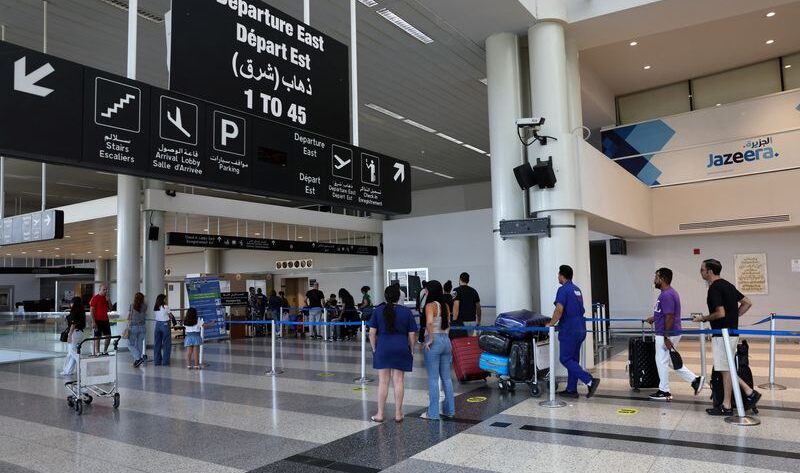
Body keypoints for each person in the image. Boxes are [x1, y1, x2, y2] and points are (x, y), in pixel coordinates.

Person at [693, 258, 761, 415]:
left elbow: (720, 313)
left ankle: (748, 394)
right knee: (726, 368)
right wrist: (734, 317)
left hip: (722, 334)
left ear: (710, 271)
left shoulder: (714, 288)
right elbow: (747, 303)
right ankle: (728, 404)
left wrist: (703, 318)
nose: (701, 272)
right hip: (732, 332)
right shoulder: (728, 285)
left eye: (702, 269)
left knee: (725, 368)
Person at [646, 268, 703, 401]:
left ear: (662, 279)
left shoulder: (667, 295)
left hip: (666, 333)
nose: (654, 280)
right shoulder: (668, 293)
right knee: (671, 361)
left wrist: (666, 336)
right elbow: (665, 313)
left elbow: (670, 317)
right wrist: (654, 318)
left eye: (656, 277)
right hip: (668, 332)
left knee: (661, 361)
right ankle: (695, 380)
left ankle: (664, 391)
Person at [547, 265, 599, 399]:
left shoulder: (563, 290)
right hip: (580, 327)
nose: (557, 277)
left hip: (569, 328)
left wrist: (551, 324)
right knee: (573, 360)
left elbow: (559, 309)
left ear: (562, 275)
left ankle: (589, 380)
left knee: (565, 358)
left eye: (558, 274)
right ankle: (571, 389)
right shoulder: (577, 290)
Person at [368, 285, 418, 423]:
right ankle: (398, 413)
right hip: (401, 347)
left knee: (383, 382)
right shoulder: (406, 312)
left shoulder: (378, 311)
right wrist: (412, 349)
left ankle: (380, 414)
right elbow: (412, 334)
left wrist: (374, 349)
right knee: (399, 381)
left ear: (385, 297)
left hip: (383, 347)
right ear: (399, 297)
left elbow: (372, 333)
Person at [420, 280, 455, 420]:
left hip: (434, 341)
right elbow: (449, 324)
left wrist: (430, 339)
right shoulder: (445, 306)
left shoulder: (430, 305)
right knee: (447, 378)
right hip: (446, 340)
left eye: (427, 290)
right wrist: (444, 337)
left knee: (433, 379)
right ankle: (450, 410)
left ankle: (433, 413)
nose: (425, 292)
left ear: (431, 291)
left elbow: (429, 322)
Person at [60, 297, 86, 376]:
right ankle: (68, 371)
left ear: (74, 303)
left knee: (73, 352)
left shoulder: (75, 311)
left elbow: (73, 324)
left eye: (71, 302)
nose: (70, 304)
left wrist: (69, 335)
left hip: (74, 333)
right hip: (79, 333)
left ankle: (83, 366)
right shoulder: (81, 310)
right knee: (71, 353)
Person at [90, 284, 112, 355]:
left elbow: (111, 309)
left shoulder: (106, 298)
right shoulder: (95, 298)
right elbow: (92, 310)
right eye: (104, 290)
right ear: (100, 290)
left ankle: (105, 350)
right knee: (97, 336)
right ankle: (97, 351)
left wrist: (108, 300)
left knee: (108, 336)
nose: (105, 291)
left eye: (106, 290)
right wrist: (93, 321)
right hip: (97, 320)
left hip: (105, 319)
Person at [127, 292, 147, 368]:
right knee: (139, 344)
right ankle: (136, 361)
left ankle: (138, 358)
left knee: (130, 344)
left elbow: (128, 317)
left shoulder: (132, 306)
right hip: (143, 327)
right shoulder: (145, 306)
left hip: (134, 327)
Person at [153, 294, 173, 366]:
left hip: (157, 325)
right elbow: (170, 316)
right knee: (166, 344)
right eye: (165, 299)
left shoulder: (156, 307)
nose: (166, 300)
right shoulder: (166, 307)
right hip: (165, 324)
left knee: (157, 344)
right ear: (163, 299)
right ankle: (165, 362)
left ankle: (157, 361)